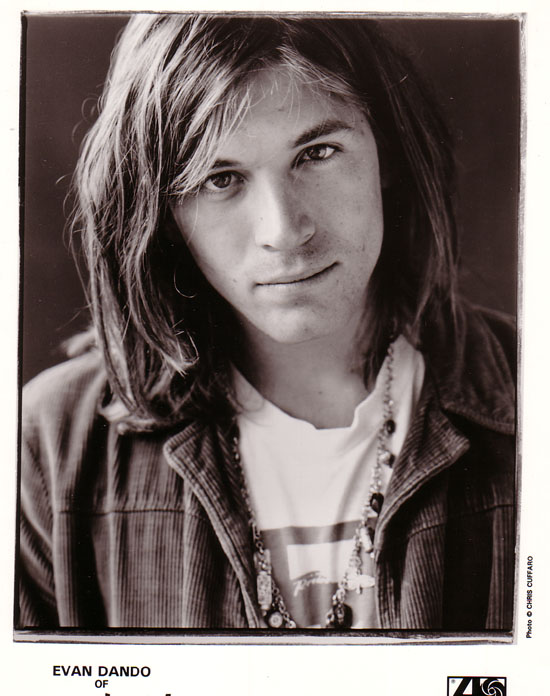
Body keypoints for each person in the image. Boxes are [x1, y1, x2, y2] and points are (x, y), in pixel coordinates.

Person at [18, 14, 516, 631]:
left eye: (317, 153)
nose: (283, 231)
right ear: (161, 212)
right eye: (220, 179)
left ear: (386, 153)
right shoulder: (50, 445)